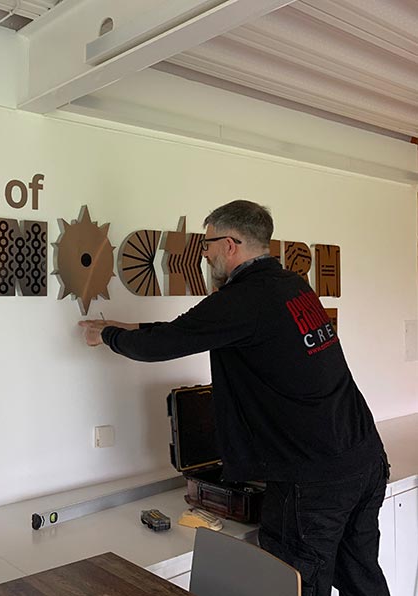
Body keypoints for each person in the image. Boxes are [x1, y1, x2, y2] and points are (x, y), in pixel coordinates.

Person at [80, 200, 390, 596]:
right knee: (362, 578)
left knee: (295, 586)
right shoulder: (291, 286)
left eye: (207, 244)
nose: (204, 253)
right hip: (363, 460)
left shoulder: (244, 300)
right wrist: (123, 326)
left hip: (312, 479)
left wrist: (105, 336)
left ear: (230, 244)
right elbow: (189, 329)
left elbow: (164, 344)